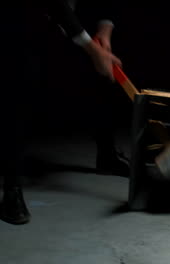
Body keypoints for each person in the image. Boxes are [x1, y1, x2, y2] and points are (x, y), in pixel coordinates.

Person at [1, 0, 129, 225]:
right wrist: (92, 48)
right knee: (23, 75)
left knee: (106, 64)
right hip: (22, 21)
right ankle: (12, 187)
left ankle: (107, 155)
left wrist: (103, 33)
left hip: (64, 22)